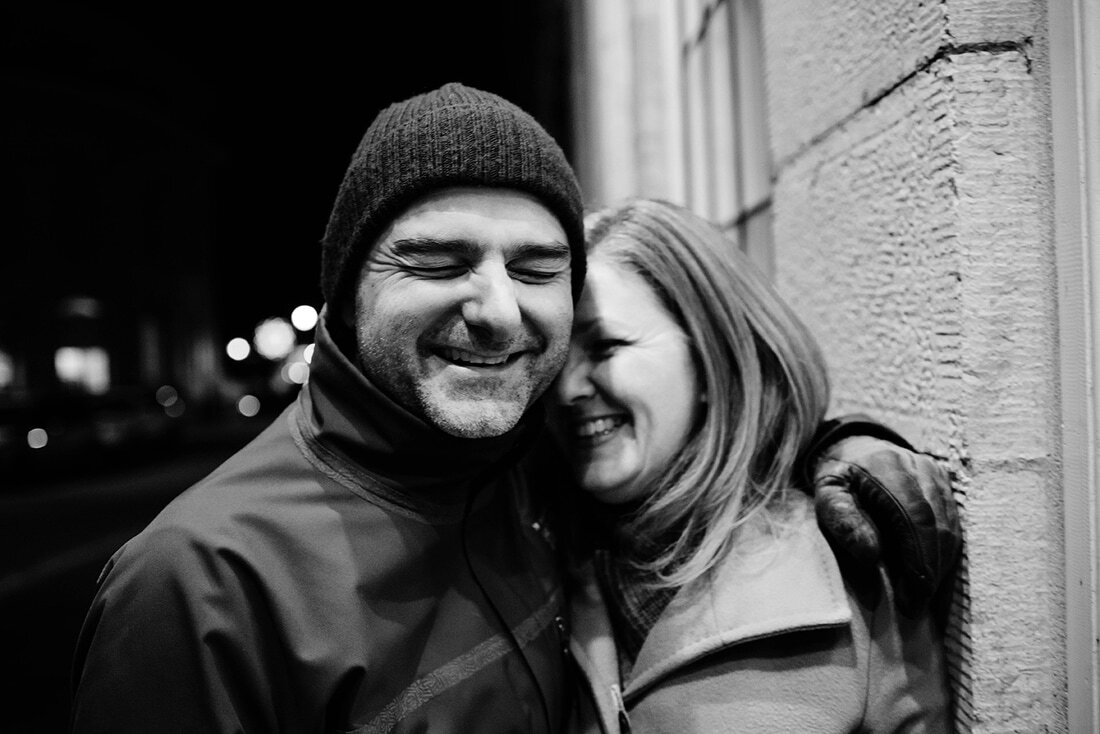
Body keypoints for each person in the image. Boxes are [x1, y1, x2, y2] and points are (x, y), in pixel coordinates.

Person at [69, 83, 956, 733]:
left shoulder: (534, 482)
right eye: (439, 260)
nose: (499, 313)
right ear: (346, 292)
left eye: (536, 272)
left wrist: (841, 448)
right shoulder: (195, 582)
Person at [558, 198, 956, 733]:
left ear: (711, 357)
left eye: (605, 346)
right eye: (553, 354)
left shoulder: (856, 570)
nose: (565, 389)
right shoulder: (530, 556)